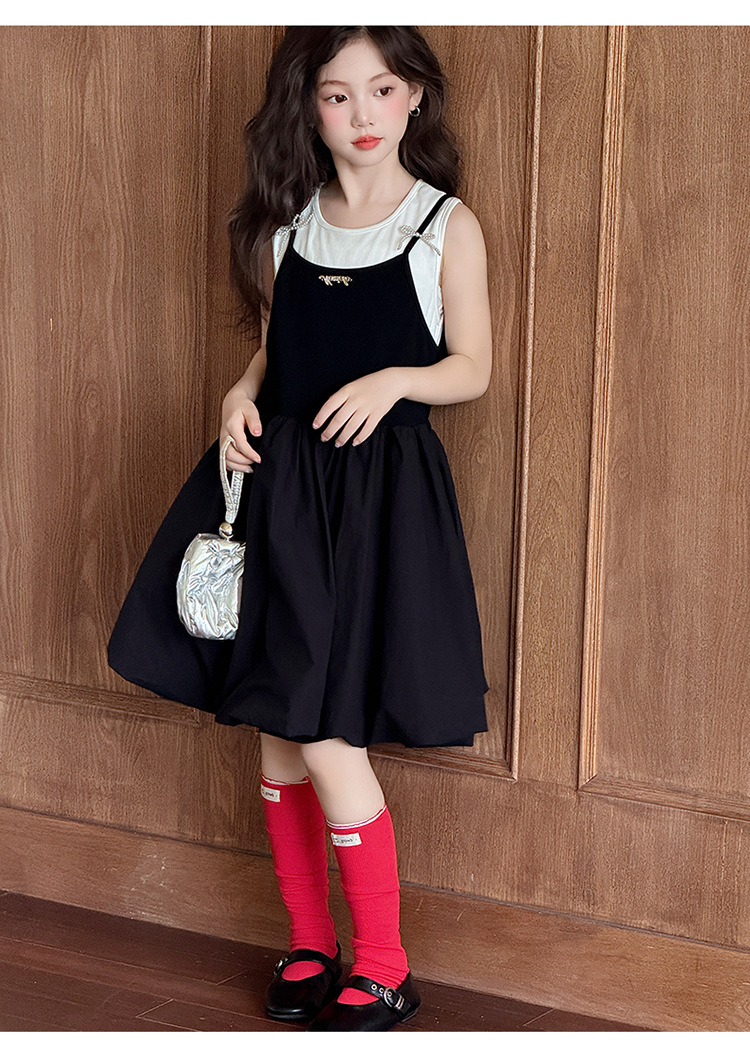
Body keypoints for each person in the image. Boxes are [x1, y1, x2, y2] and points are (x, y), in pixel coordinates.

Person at [107, 25, 492, 1032]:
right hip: (280, 496)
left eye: (383, 89)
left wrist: (397, 380)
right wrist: (238, 396)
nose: (363, 114)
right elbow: (274, 357)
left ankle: (387, 967)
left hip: (378, 509)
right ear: (309, 108)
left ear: (416, 98)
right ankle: (313, 944)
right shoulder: (289, 228)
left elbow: (473, 366)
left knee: (325, 734)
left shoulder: (443, 226)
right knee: (280, 734)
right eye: (337, 94)